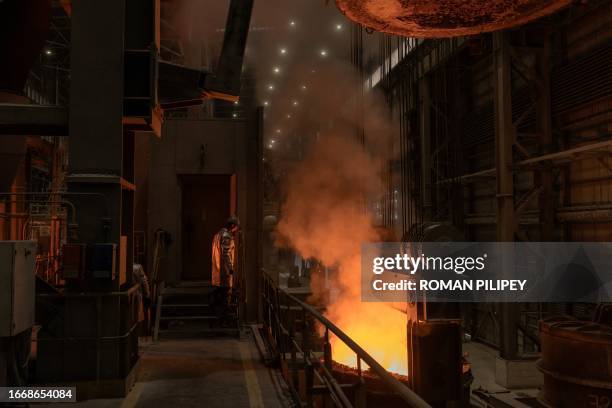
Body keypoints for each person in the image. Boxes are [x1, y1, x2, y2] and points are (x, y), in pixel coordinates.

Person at [211, 216, 240, 326]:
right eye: (236, 227)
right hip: (225, 273)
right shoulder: (226, 236)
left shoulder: (218, 235)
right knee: (225, 298)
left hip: (218, 272)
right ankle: (222, 321)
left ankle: (219, 320)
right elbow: (226, 254)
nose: (236, 230)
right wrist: (231, 269)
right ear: (232, 226)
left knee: (220, 296)